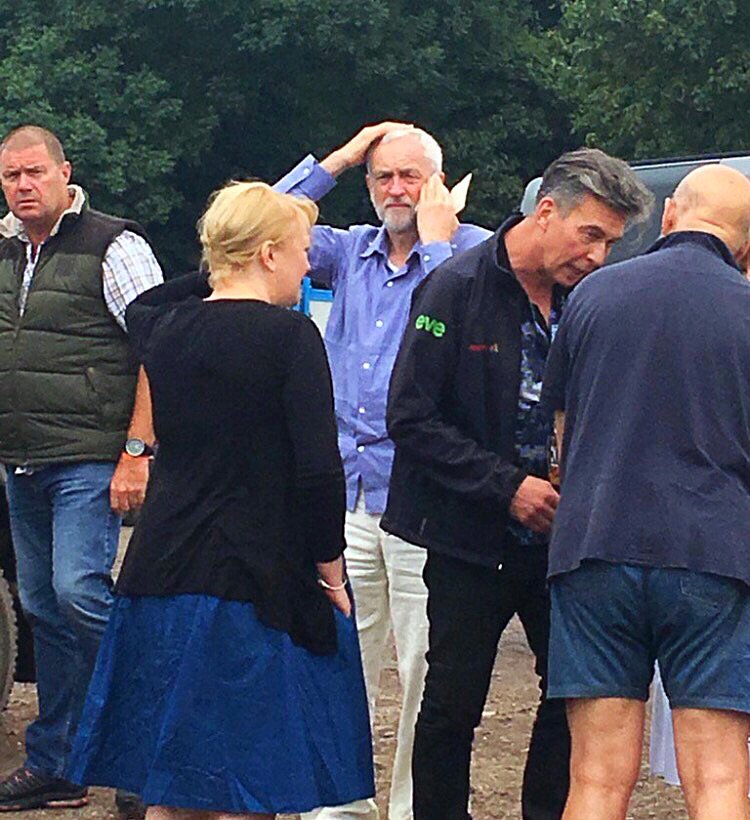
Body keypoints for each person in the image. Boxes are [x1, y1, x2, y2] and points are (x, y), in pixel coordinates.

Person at [67, 181, 375, 819]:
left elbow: (150, 300)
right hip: (254, 579)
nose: (307, 266)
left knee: (171, 783)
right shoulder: (290, 338)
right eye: (300, 250)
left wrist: (222, 263)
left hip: (160, 571)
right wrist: (330, 570)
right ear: (268, 254)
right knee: (243, 785)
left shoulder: (164, 328)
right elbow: (318, 471)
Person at [383, 147, 652, 820]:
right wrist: (507, 487)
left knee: (571, 692)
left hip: (563, 540)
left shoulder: (590, 299)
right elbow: (410, 416)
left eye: (611, 243)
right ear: (547, 210)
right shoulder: (456, 287)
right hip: (469, 536)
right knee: (452, 705)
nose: (597, 255)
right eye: (590, 235)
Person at [274, 122, 490, 820]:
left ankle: (410, 808)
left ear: (439, 183)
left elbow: (461, 323)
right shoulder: (348, 251)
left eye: (409, 176)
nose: (396, 190)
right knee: (339, 652)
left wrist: (435, 243)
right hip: (346, 487)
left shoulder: (472, 252)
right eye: (383, 177)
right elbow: (261, 224)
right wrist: (338, 158)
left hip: (425, 494)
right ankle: (337, 804)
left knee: (427, 665)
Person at [541, 164, 750, 820]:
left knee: (598, 777)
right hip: (713, 551)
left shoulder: (593, 296)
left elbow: (561, 439)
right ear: (746, 245)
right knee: (718, 776)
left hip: (595, 544)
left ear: (669, 215)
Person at [0, 125, 163, 812]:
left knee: (79, 594)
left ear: (64, 172)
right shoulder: (4, 248)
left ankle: (147, 750)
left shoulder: (113, 245)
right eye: (11, 175)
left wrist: (137, 451)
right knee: (42, 607)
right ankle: (60, 763)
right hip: (20, 460)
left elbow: (160, 347)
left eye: (34, 171)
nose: (23, 185)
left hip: (91, 457)